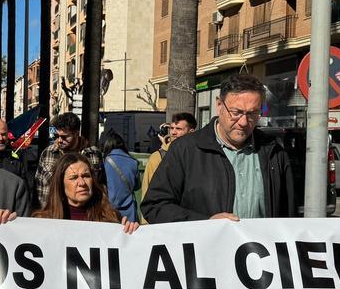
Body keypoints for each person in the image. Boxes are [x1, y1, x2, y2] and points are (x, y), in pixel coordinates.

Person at [141, 74, 294, 223]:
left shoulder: (274, 152)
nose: (244, 122)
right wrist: (206, 222)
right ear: (219, 105)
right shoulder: (185, 149)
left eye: (253, 113)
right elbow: (154, 206)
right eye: (236, 112)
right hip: (205, 247)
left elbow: (288, 216)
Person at [33, 153, 139, 234]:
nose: (82, 183)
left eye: (86, 176)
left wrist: (130, 231)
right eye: (74, 178)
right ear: (61, 184)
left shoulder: (112, 218)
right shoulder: (42, 221)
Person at [34, 112, 104, 205]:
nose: (59, 140)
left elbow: (102, 187)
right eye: (57, 136)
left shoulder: (93, 154)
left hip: (83, 214)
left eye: (64, 137)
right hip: (52, 214)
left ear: (76, 133)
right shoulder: (48, 153)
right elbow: (38, 187)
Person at [139, 111, 196, 204]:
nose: (173, 132)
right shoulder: (157, 157)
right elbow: (147, 195)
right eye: (171, 128)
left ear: (191, 132)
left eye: (178, 129)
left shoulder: (198, 155)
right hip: (164, 215)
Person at [98, 129, 139, 223]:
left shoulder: (105, 161)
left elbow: (100, 182)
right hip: (129, 209)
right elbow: (137, 186)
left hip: (109, 208)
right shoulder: (133, 162)